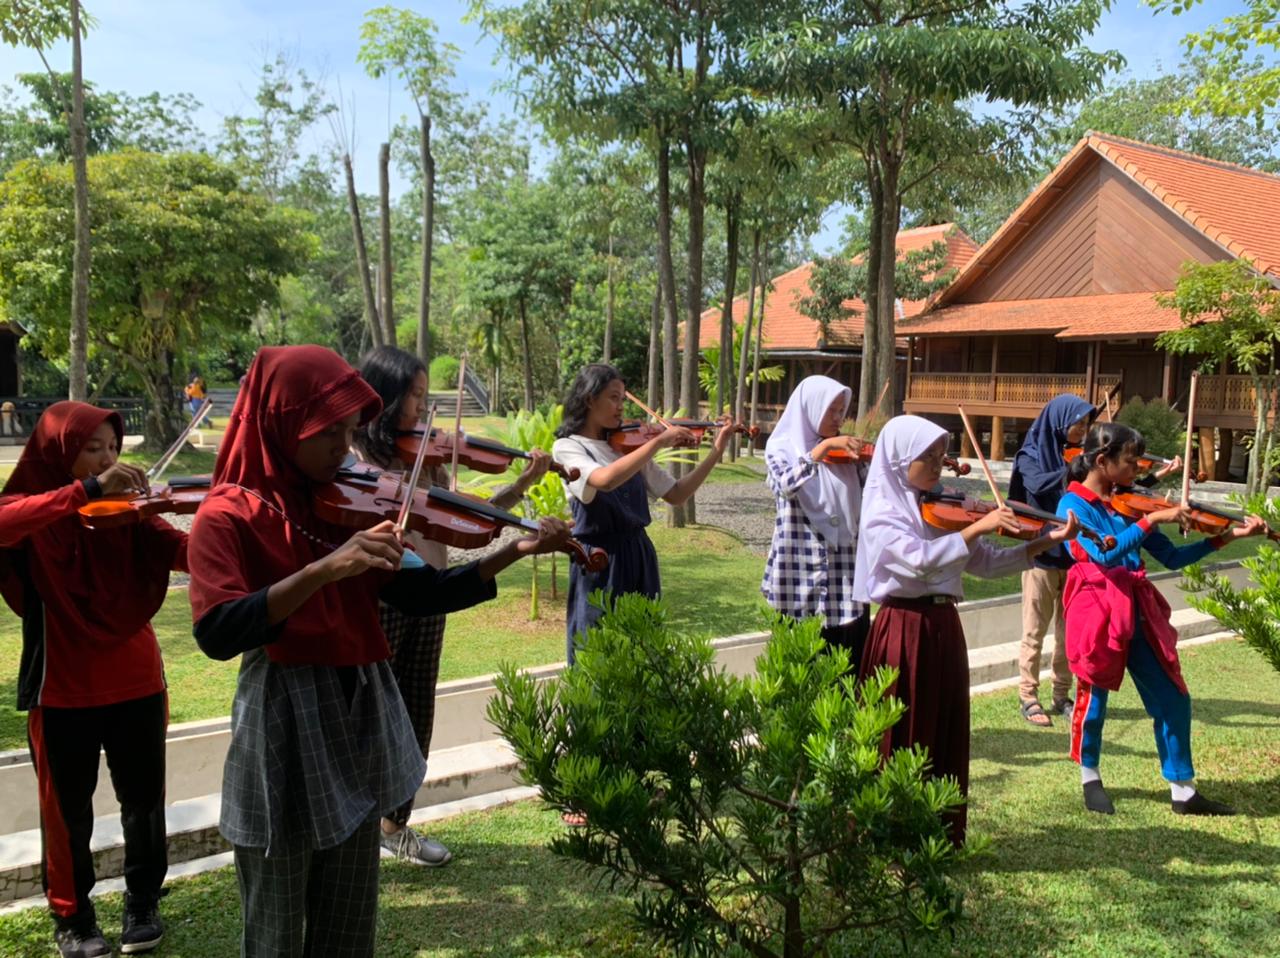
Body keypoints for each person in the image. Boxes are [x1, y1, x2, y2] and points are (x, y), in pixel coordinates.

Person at [186, 345, 570, 957]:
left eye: (348, 430)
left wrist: (512, 552)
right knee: (277, 921)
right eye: (328, 431)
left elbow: (426, 591)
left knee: (349, 916)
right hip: (284, 715)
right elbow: (218, 630)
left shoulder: (345, 501)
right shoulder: (226, 515)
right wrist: (324, 571)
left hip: (359, 707)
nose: (345, 446)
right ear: (282, 424)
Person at [0, 402, 187, 958]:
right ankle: (73, 918)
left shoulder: (125, 504)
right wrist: (83, 490)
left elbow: (170, 546)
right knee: (66, 813)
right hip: (63, 687)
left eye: (113, 448)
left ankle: (142, 902)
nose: (108, 460)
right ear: (62, 454)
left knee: (144, 803)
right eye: (92, 449)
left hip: (136, 678)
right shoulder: (40, 505)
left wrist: (219, 541)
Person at [353, 344, 551, 867]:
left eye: (423, 395)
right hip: (384, 599)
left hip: (433, 594)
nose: (421, 409)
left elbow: (468, 519)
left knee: (418, 707)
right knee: (375, 712)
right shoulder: (359, 462)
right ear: (386, 397)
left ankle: (396, 826)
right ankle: (356, 830)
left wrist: (523, 484)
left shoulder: (427, 459)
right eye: (414, 396)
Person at [853, 415, 1079, 844]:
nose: (939, 465)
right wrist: (978, 525)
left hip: (943, 628)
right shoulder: (883, 510)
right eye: (929, 457)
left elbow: (988, 562)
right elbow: (917, 559)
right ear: (901, 460)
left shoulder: (940, 509)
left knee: (942, 726)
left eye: (942, 455)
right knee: (902, 731)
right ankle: (892, 837)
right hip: (903, 628)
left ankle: (938, 833)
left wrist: (1044, 543)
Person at [1056, 421, 1262, 817]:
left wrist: (1225, 538)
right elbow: (1104, 555)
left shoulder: (1126, 502)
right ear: (1102, 461)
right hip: (1096, 607)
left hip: (1136, 607)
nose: (1138, 470)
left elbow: (1173, 557)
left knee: (1172, 696)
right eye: (1131, 462)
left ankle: (1183, 790)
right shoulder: (1071, 506)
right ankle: (1090, 776)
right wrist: (1151, 520)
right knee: (1093, 698)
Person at [550, 363, 734, 665]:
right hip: (598, 561)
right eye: (614, 398)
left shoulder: (629, 446)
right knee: (597, 653)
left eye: (623, 399)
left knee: (644, 654)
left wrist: (716, 450)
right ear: (589, 399)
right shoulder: (568, 448)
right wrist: (658, 441)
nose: (621, 407)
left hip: (638, 555)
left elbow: (676, 494)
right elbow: (604, 479)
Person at [761, 375, 870, 664]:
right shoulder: (781, 447)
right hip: (797, 578)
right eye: (831, 411)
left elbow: (871, 496)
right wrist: (819, 452)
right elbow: (784, 485)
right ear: (811, 408)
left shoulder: (846, 456)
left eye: (841, 411)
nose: (839, 418)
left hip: (843, 581)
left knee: (849, 672)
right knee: (797, 673)